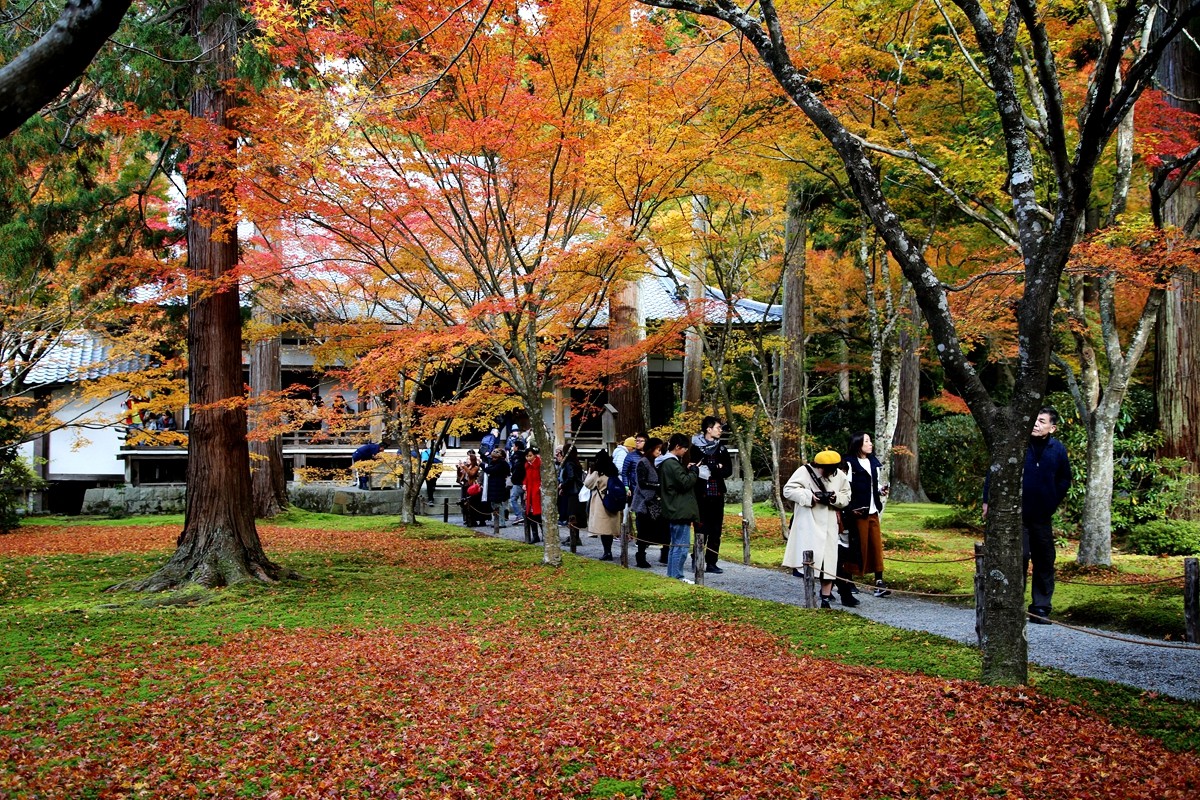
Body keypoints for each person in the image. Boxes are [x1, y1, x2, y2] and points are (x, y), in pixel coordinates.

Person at [982, 407, 1071, 624]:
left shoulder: (1057, 449)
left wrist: (1052, 501)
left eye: (1042, 421)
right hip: (1015, 514)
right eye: (1034, 420)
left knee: (1045, 560)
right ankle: (1013, 605)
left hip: (1042, 516)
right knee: (1018, 557)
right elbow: (993, 472)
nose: (1036, 424)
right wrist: (987, 501)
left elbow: (1064, 478)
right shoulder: (1016, 445)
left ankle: (1040, 608)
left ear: (1053, 427)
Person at [782, 449, 851, 608]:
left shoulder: (839, 475)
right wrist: (808, 496)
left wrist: (835, 498)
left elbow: (846, 496)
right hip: (808, 522)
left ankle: (825, 599)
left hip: (829, 523)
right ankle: (810, 595)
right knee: (809, 561)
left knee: (829, 562)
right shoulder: (804, 471)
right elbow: (788, 490)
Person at [847, 432, 890, 598]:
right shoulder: (849, 463)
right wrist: (850, 508)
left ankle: (879, 581)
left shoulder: (873, 462)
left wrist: (880, 489)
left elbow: (874, 483)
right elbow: (846, 486)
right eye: (867, 441)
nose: (870, 444)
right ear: (858, 444)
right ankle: (849, 580)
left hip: (873, 510)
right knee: (858, 545)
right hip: (858, 511)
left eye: (870, 441)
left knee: (875, 545)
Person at [690, 416, 734, 574]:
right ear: (708, 429)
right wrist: (714, 466)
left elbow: (728, 470)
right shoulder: (694, 447)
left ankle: (712, 562)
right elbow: (691, 468)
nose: (720, 430)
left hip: (717, 493)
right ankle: (697, 557)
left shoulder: (721, 448)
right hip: (701, 494)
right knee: (701, 528)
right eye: (718, 427)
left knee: (716, 530)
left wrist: (714, 467)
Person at [658, 433, 700, 583]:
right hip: (679, 510)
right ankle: (677, 575)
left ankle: (672, 574)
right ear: (677, 447)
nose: (685, 452)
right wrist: (694, 473)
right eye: (684, 449)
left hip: (673, 508)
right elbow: (684, 483)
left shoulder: (668, 463)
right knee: (681, 546)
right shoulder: (671, 463)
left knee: (675, 545)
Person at [630, 437, 666, 568]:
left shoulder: (652, 463)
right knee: (643, 531)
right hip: (644, 502)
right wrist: (657, 486)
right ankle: (640, 557)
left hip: (652, 501)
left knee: (651, 529)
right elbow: (641, 482)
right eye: (657, 449)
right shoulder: (643, 463)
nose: (659, 452)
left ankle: (659, 553)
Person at [583, 450, 623, 560]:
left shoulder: (598, 472)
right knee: (609, 529)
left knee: (603, 529)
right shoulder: (613, 471)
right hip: (612, 501)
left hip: (601, 504)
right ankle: (609, 551)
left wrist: (590, 473)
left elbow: (587, 484)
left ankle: (607, 552)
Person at [481, 447, 510, 523]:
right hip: (494, 486)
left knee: (498, 504)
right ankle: (497, 521)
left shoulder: (501, 464)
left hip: (498, 486)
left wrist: (483, 466)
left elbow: (491, 470)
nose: (492, 459)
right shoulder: (496, 463)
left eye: (494, 457)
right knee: (494, 504)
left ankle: (501, 522)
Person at [557, 445, 583, 527]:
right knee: (574, 515)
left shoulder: (569, 463)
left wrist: (562, 485)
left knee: (571, 515)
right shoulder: (576, 462)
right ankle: (574, 537)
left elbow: (571, 477)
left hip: (572, 492)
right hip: (575, 491)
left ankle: (574, 537)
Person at [524, 447, 543, 543]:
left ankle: (545, 535)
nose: (528, 458)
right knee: (530, 515)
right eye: (527, 456)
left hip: (537, 491)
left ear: (535, 455)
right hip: (530, 491)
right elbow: (526, 478)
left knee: (538, 514)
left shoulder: (539, 464)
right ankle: (535, 536)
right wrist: (524, 484)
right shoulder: (527, 465)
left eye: (530, 455)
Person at [457, 450, 481, 522]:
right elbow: (460, 475)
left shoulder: (475, 467)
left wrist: (464, 467)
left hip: (471, 485)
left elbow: (471, 474)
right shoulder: (467, 466)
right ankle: (465, 517)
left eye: (468, 459)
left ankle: (471, 518)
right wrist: (459, 468)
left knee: (470, 502)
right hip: (465, 484)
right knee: (463, 501)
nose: (467, 460)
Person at [508, 439, 527, 525]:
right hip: (525, 481)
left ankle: (519, 515)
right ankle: (525, 516)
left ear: (517, 447)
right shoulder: (525, 456)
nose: (513, 447)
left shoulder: (516, 457)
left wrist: (513, 478)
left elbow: (516, 469)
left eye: (514, 446)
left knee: (513, 498)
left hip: (518, 481)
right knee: (523, 500)